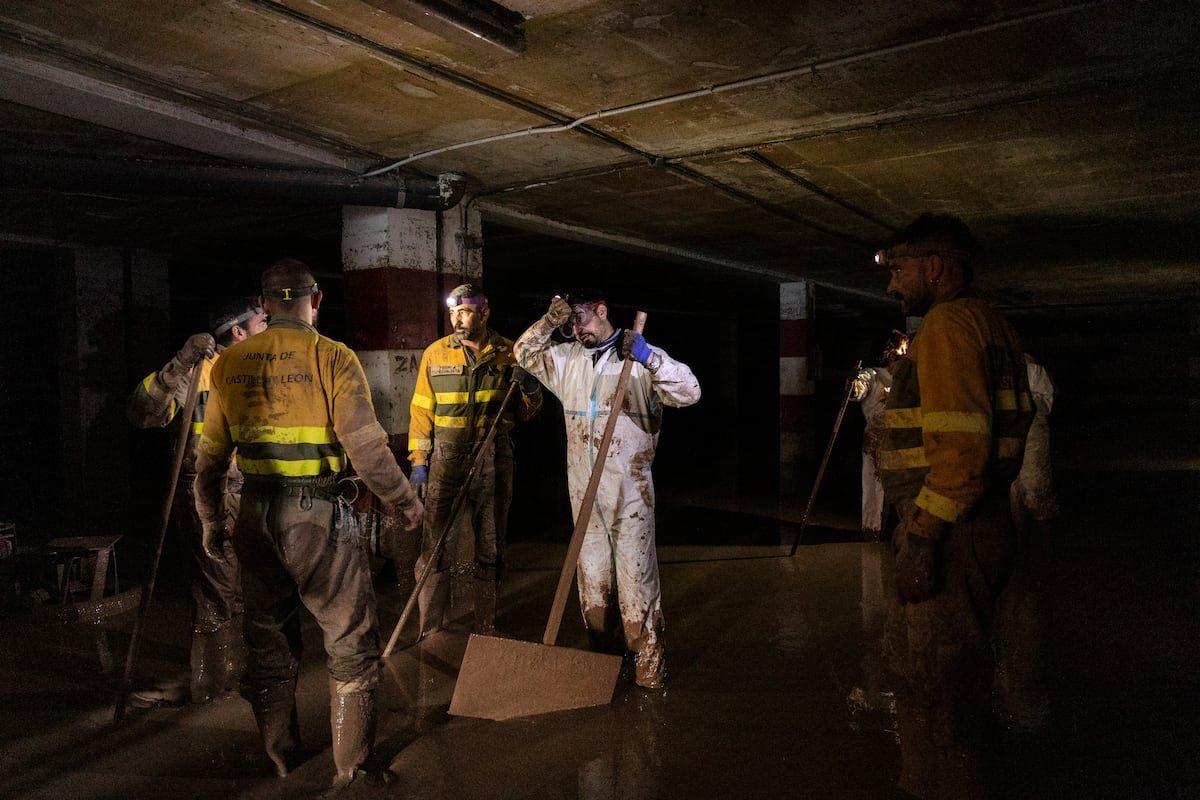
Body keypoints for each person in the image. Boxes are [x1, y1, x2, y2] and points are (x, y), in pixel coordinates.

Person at [193, 258, 423, 787]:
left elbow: (208, 462)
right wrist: (404, 501)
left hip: (253, 512)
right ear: (315, 300)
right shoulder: (332, 357)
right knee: (348, 638)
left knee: (267, 637)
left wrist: (211, 522)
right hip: (318, 515)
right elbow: (365, 448)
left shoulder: (229, 363)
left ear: (266, 303)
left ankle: (281, 759)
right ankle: (352, 770)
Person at [875, 214, 1034, 800]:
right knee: (938, 681)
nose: (892, 284)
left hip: (952, 531)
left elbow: (962, 450)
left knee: (947, 695)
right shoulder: (991, 324)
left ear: (935, 266)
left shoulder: (946, 325)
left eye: (899, 268)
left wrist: (921, 536)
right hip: (979, 523)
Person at [513, 290, 701, 689]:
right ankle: (606, 669)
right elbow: (524, 354)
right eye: (569, 324)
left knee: (637, 585)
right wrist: (549, 323)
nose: (574, 329)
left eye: (579, 318)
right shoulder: (567, 361)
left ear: (601, 311)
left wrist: (650, 357)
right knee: (593, 588)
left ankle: (650, 672)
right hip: (584, 497)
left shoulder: (639, 362)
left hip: (631, 495)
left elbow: (689, 392)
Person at [126, 297, 268, 705]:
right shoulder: (195, 373)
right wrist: (179, 361)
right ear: (238, 331)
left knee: (241, 590)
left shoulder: (259, 369)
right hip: (209, 494)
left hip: (254, 491)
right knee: (216, 590)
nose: (268, 325)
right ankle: (208, 685)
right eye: (261, 321)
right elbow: (142, 413)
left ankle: (232, 673)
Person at [407, 283, 543, 638]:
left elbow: (528, 414)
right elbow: (421, 411)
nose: (456, 319)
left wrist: (529, 387)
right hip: (446, 459)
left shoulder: (509, 353)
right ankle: (430, 628)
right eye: (452, 312)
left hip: (494, 456)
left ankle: (485, 625)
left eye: (464, 312)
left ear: (484, 312)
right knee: (434, 545)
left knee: (491, 544)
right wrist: (419, 462)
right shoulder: (436, 354)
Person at [994, 352, 1059, 731]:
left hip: (1031, 432)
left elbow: (1046, 402)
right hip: (1008, 436)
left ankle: (1044, 553)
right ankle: (1023, 557)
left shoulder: (1031, 368)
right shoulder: (1002, 369)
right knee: (1014, 497)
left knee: (1037, 493)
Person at [849, 329, 909, 541]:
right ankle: (874, 534)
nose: (906, 354)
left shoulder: (905, 377)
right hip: (877, 442)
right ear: (891, 351)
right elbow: (857, 391)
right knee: (875, 489)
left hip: (904, 441)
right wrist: (853, 384)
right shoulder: (872, 375)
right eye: (903, 349)